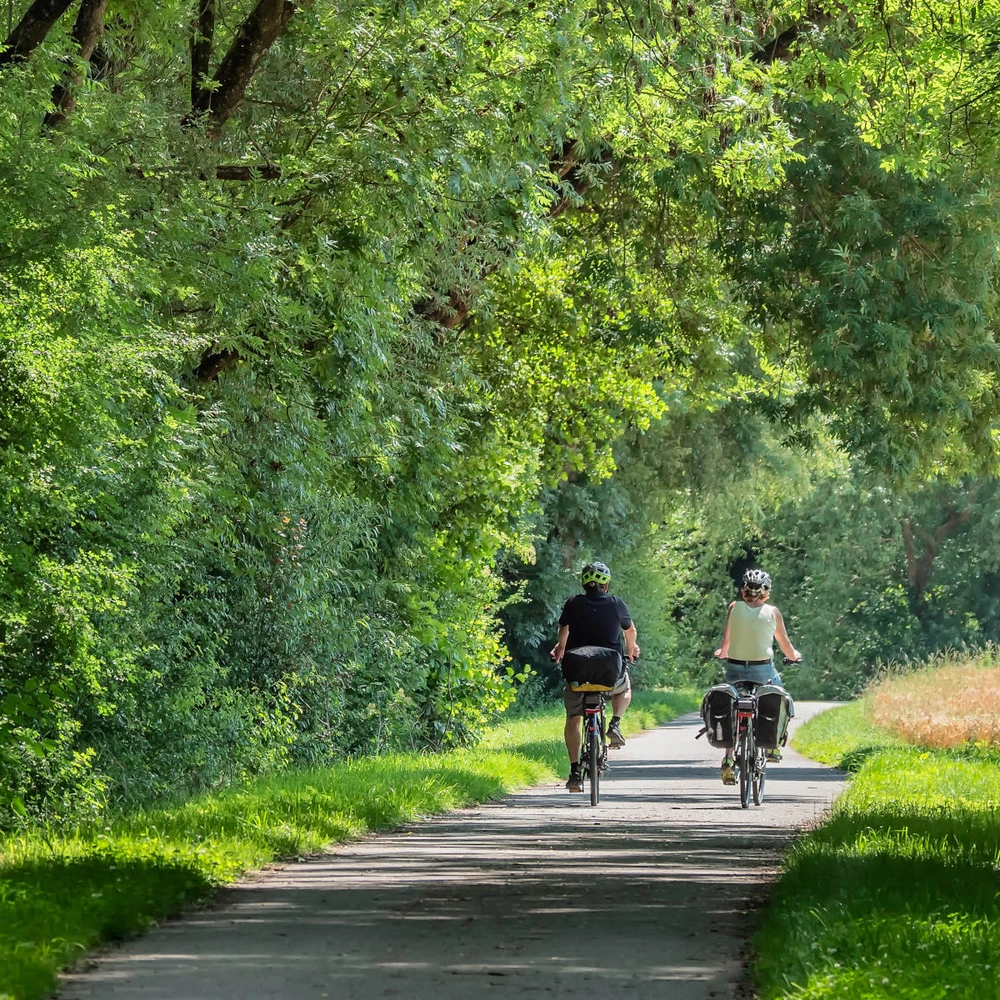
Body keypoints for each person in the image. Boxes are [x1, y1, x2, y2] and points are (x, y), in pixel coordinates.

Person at [550, 561, 639, 793]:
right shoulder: (616, 604)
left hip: (577, 670)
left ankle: (574, 772)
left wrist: (560, 648)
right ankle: (616, 723)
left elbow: (564, 628)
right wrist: (631, 650)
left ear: (584, 583)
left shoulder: (573, 603)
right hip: (608, 671)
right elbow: (630, 631)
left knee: (573, 717)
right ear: (606, 585)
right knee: (625, 688)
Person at [713, 568, 800, 785]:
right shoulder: (773, 612)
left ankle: (728, 760)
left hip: (734, 669)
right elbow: (785, 644)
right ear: (766, 592)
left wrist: (721, 654)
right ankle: (772, 747)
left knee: (733, 705)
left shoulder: (734, 608)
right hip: (763, 671)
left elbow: (727, 642)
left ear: (743, 590)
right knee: (779, 696)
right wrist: (794, 656)